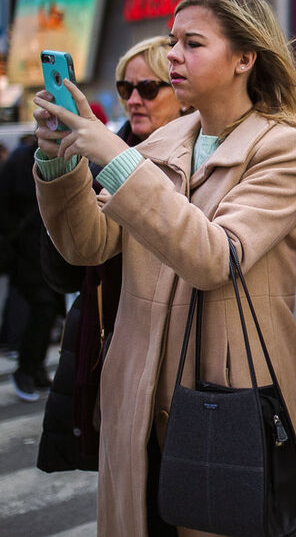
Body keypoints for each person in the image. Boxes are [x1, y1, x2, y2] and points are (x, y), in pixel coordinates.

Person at [31, 0, 296, 536]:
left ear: (244, 58)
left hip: (231, 395)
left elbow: (217, 258)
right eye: (172, 41)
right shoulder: (165, 141)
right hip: (139, 390)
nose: (174, 57)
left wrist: (116, 159)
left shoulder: (285, 146)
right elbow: (86, 245)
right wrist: (55, 159)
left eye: (192, 43)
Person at [36, 36, 190, 472]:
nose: (134, 100)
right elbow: (65, 273)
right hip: (103, 339)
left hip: (169, 352)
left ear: (181, 91)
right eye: (125, 88)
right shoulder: (96, 152)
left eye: (148, 88)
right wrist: (60, 169)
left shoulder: (196, 161)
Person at [0, 133, 64, 402]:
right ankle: (26, 369)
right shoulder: (19, 164)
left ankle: (35, 368)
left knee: (47, 311)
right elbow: (6, 209)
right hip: (25, 254)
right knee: (39, 309)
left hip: (47, 252)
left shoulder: (64, 158)